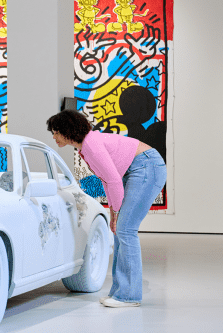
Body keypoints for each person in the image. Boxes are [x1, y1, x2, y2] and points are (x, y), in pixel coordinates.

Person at [46, 109, 166, 308]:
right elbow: (108, 182)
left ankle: (128, 296)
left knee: (126, 230)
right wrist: (113, 213)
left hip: (146, 167)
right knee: (120, 230)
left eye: (56, 131)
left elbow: (113, 180)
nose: (53, 136)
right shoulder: (86, 146)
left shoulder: (91, 145)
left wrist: (117, 212)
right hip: (140, 167)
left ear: (67, 130)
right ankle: (120, 292)